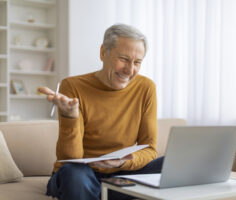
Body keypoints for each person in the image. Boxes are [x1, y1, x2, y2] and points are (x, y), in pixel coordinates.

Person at [38, 24, 164, 200]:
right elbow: (70, 158)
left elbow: (150, 148)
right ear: (103, 52)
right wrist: (70, 117)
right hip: (82, 174)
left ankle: (106, 193)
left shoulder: (146, 87)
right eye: (124, 59)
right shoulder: (73, 86)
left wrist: (124, 161)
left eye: (137, 62)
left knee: (171, 165)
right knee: (74, 174)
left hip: (121, 174)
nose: (130, 70)